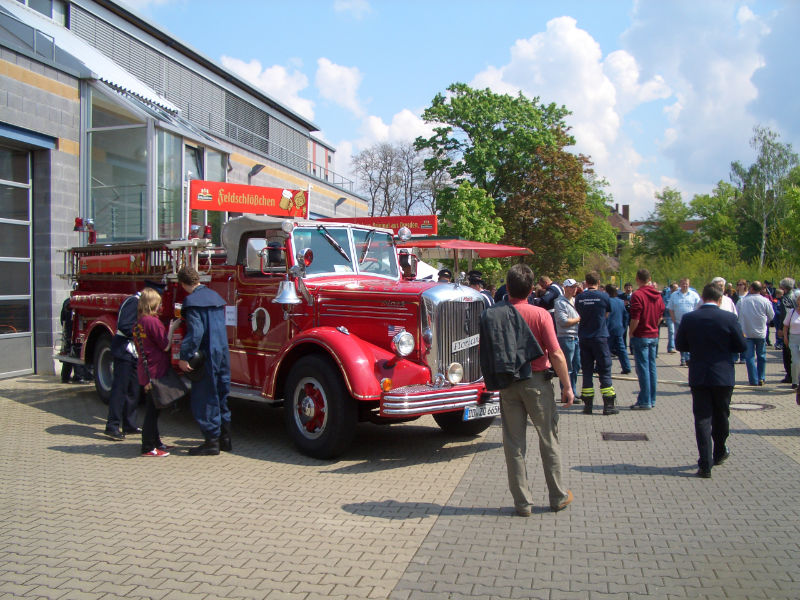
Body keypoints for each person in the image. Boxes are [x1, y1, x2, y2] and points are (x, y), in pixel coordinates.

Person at [480, 264, 574, 516]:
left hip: (508, 384)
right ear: (532, 289)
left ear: (507, 287)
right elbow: (555, 353)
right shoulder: (540, 314)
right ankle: (558, 496)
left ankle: (522, 503)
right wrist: (567, 385)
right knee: (548, 438)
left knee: (514, 444)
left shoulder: (494, 313)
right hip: (537, 382)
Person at [675, 283, 746, 478]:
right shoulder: (729, 318)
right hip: (723, 375)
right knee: (722, 415)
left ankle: (705, 463)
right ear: (721, 299)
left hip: (699, 375)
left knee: (702, 419)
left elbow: (680, 344)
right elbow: (741, 346)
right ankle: (720, 450)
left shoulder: (689, 318)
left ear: (702, 298)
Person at [177, 266, 232, 456]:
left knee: (206, 396)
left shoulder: (192, 302)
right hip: (222, 351)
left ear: (183, 284)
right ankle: (225, 438)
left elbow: (196, 333)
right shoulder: (215, 297)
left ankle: (211, 442)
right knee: (221, 393)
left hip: (207, 354)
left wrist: (184, 357)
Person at [134, 287, 179, 457]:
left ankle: (156, 441)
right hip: (155, 371)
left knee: (154, 408)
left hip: (145, 370)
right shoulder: (152, 322)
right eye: (159, 303)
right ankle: (147, 446)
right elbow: (165, 345)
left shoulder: (139, 322)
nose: (161, 306)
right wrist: (173, 328)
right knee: (153, 411)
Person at [575, 272, 617, 415]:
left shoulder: (579, 298)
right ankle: (609, 406)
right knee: (604, 370)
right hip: (600, 337)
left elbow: (579, 314)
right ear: (598, 282)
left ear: (586, 283)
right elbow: (606, 313)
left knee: (587, 370)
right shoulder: (604, 296)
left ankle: (587, 406)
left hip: (584, 337)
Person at [104, 290, 143, 441]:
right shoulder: (133, 302)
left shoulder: (138, 303)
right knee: (119, 390)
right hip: (124, 350)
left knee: (133, 389)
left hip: (133, 352)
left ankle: (129, 424)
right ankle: (112, 425)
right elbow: (124, 325)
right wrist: (142, 334)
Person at [629, 268, 665, 410]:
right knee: (652, 368)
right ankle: (651, 398)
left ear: (638, 279)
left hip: (641, 335)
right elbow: (660, 316)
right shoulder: (658, 295)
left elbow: (635, 318)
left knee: (643, 368)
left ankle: (645, 401)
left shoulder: (637, 295)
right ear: (649, 278)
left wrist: (631, 332)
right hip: (653, 334)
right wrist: (653, 326)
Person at [737, 281, 774, 386]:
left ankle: (753, 380)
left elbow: (736, 315)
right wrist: (764, 320)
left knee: (749, 357)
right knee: (761, 355)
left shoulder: (742, 301)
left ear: (751, 289)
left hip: (746, 333)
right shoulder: (765, 301)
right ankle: (761, 377)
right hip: (761, 333)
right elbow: (771, 316)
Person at [554, 278, 581, 397]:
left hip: (576, 337)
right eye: (571, 287)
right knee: (567, 367)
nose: (574, 289)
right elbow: (563, 321)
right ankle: (565, 392)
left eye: (575, 287)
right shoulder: (560, 302)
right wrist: (579, 319)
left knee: (576, 366)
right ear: (565, 288)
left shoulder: (575, 301)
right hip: (566, 337)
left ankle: (572, 391)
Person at [668, 278, 701, 367]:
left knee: (691, 340)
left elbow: (699, 307)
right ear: (680, 284)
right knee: (681, 341)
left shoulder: (694, 295)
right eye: (683, 283)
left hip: (692, 323)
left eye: (686, 283)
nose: (684, 285)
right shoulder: (674, 295)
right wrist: (674, 319)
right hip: (679, 322)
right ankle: (683, 359)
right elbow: (670, 309)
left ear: (689, 284)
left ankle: (689, 358)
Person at [59, 296, 92, 384]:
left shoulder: (67, 301)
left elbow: (62, 319)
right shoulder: (81, 302)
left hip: (70, 331)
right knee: (76, 353)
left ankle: (65, 376)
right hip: (76, 331)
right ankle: (78, 376)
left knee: (68, 353)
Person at [605, 284, 631, 375]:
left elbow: (605, 317)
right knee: (622, 349)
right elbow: (625, 316)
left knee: (606, 350)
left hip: (608, 329)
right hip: (619, 329)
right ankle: (627, 367)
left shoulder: (606, 302)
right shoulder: (621, 302)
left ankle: (604, 367)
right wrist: (623, 327)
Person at [782, 293, 800, 390]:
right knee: (795, 361)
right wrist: (785, 337)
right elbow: (785, 326)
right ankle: (795, 381)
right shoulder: (792, 312)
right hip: (793, 338)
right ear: (797, 301)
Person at [663, 283, 679, 353]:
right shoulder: (667, 296)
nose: (676, 289)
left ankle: (676, 346)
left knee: (677, 332)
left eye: (677, 288)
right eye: (675, 288)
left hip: (677, 316)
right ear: (671, 288)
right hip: (669, 316)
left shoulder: (679, 295)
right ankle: (671, 348)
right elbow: (665, 306)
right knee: (671, 331)